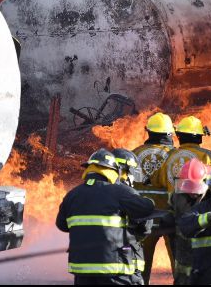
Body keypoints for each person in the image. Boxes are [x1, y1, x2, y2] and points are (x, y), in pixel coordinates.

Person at [56, 148, 155, 285]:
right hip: (114, 270)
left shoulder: (72, 195)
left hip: (82, 271)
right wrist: (149, 201)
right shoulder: (120, 192)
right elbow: (146, 210)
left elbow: (61, 225)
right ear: (113, 171)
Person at [132, 112, 177, 284]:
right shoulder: (174, 156)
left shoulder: (134, 154)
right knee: (180, 267)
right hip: (169, 220)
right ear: (169, 134)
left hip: (142, 221)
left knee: (139, 268)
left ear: (149, 132)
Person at [164, 158, 210, 285]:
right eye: (188, 186)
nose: (192, 193)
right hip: (183, 252)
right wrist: (168, 218)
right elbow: (172, 211)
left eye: (195, 187)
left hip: (205, 253)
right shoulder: (176, 195)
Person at [113, 148, 153, 283]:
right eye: (132, 173)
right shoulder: (128, 194)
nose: (133, 179)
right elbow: (144, 229)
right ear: (123, 171)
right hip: (125, 263)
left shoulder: (92, 193)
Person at [154, 115, 211, 193]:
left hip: (174, 203)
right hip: (201, 203)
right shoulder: (209, 157)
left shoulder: (168, 156)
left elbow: (158, 182)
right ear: (200, 137)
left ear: (179, 136)